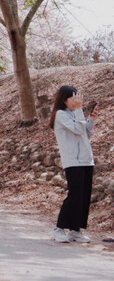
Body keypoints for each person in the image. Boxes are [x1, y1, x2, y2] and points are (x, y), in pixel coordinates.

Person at [51, 85, 99, 243]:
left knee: (84, 196)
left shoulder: (74, 113)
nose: (77, 100)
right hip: (73, 160)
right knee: (74, 194)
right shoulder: (60, 114)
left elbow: (86, 133)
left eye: (78, 97)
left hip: (86, 159)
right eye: (74, 97)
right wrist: (80, 111)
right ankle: (59, 228)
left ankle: (75, 230)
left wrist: (92, 119)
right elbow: (78, 130)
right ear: (64, 100)